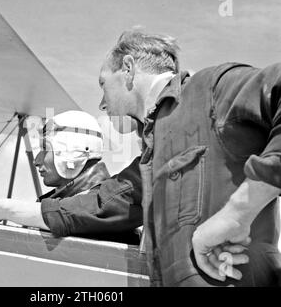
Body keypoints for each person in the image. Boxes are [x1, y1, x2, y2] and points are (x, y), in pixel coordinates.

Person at [97, 27, 281, 286]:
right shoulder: (153, 144)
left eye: (102, 83)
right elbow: (102, 203)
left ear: (127, 69)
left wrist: (237, 213)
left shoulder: (211, 89)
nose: (102, 104)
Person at [0, 110, 142, 244]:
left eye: (45, 149)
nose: (37, 160)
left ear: (71, 153)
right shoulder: (76, 206)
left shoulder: (96, 221)